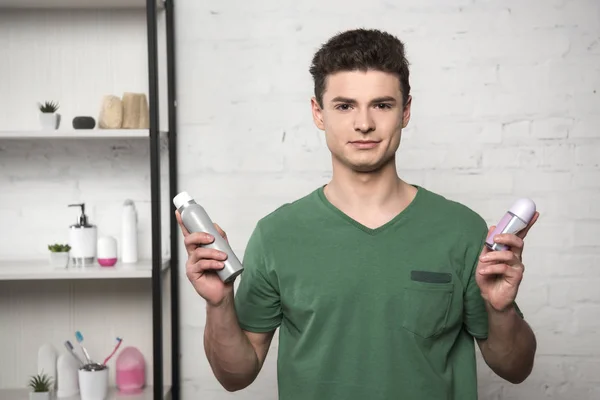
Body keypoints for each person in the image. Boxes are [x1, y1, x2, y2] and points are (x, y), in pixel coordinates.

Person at [176, 28, 539, 400]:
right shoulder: (277, 235)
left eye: (382, 105)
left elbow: (515, 368)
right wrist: (219, 304)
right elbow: (236, 376)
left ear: (406, 111)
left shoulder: (461, 229)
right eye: (344, 106)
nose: (364, 123)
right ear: (318, 113)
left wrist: (501, 309)